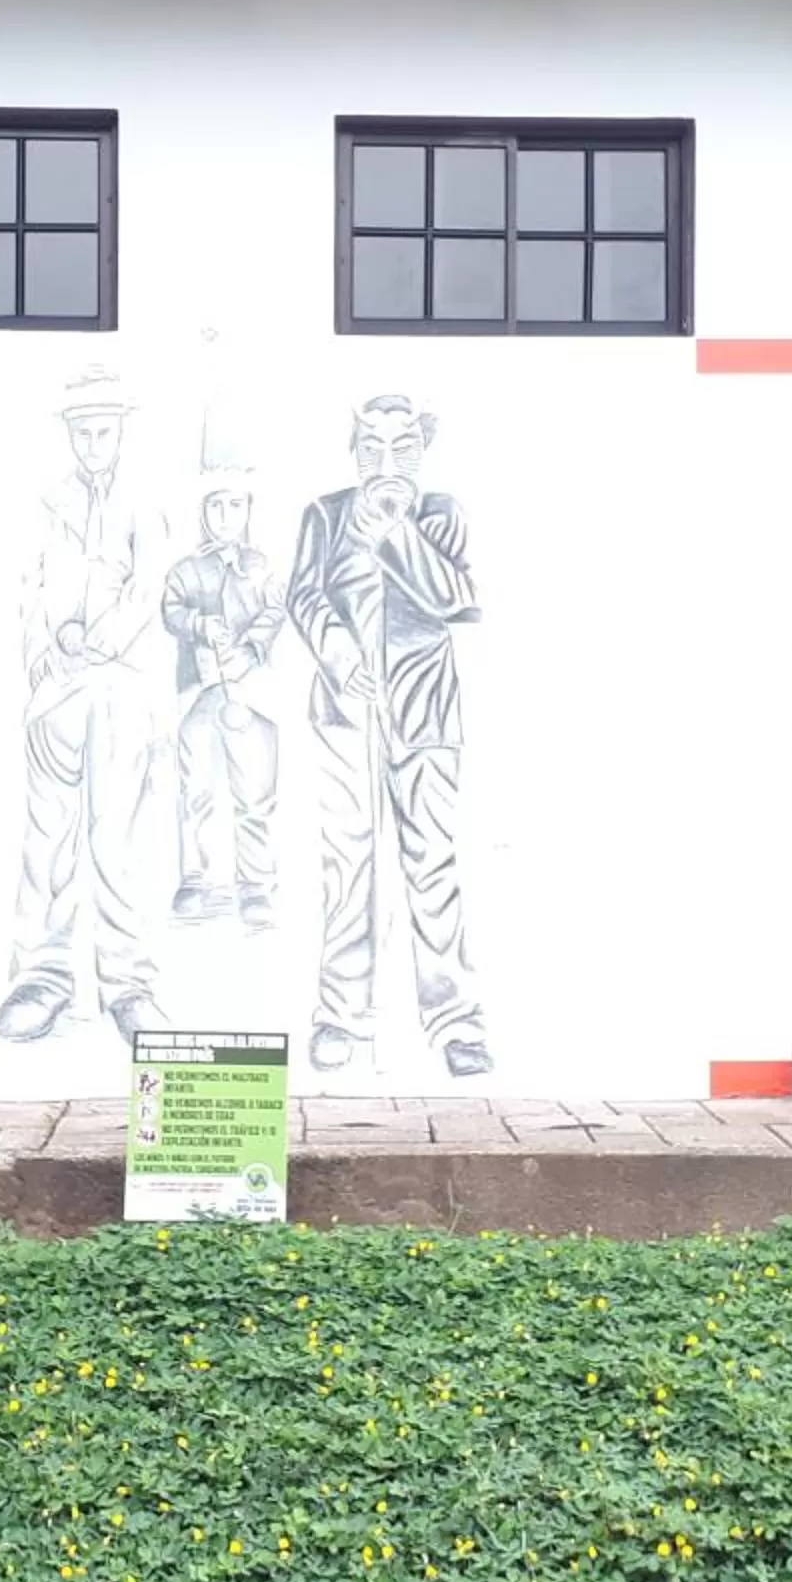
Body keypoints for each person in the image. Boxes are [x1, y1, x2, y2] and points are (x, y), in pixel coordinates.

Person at [286, 395, 490, 1076]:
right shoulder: (324, 514)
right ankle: (340, 1015)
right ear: (353, 450)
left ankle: (456, 1023)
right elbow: (303, 594)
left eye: (402, 447)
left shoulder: (440, 512)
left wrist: (393, 533)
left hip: (425, 711)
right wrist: (337, 651)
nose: (385, 462)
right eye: (371, 446)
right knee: (347, 864)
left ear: (421, 451)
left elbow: (457, 598)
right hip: (346, 712)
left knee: (432, 863)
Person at [0, 369, 169, 1044]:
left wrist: (93, 640)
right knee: (47, 840)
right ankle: (41, 979)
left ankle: (129, 987)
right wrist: (47, 650)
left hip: (120, 686)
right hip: (56, 691)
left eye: (104, 431)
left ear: (121, 431)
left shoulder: (144, 504)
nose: (94, 444)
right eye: (83, 433)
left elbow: (147, 589)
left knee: (115, 841)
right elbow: (27, 585)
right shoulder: (47, 501)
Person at [159, 473, 284, 927]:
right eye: (215, 506)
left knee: (255, 789)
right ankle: (194, 877)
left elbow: (277, 609)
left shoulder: (263, 567)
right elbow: (170, 610)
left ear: (249, 508)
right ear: (202, 511)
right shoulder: (186, 569)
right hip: (202, 690)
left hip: (252, 693)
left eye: (234, 506)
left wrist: (252, 646)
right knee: (195, 786)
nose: (225, 517)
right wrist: (197, 624)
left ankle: (255, 883)